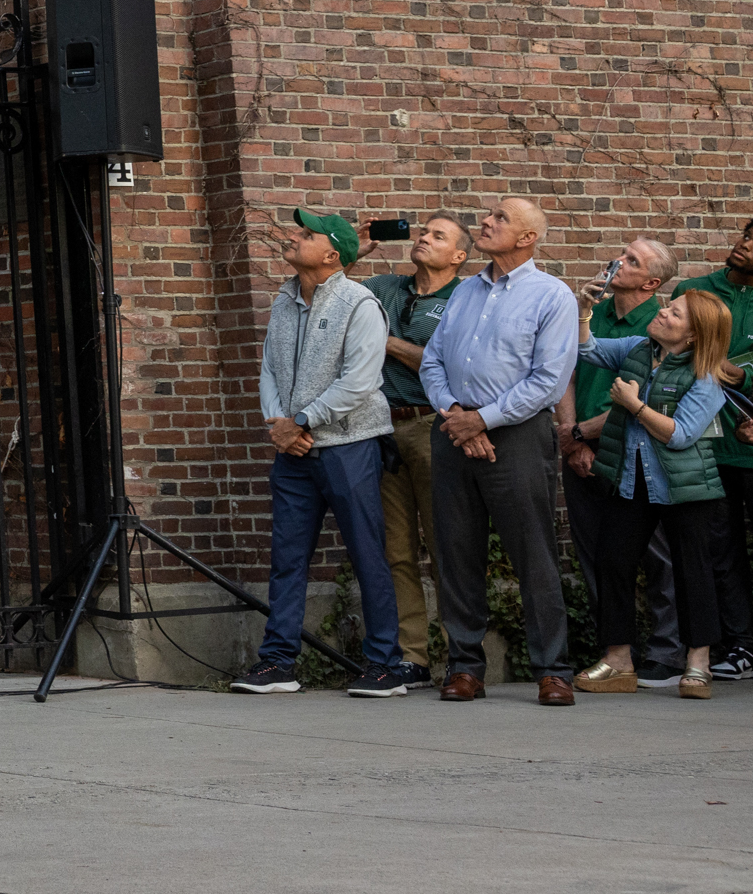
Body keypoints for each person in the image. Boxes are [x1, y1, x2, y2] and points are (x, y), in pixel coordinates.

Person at [229, 212, 422, 696]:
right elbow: (270, 369)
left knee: (367, 553)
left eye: (307, 235)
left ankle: (384, 665)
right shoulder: (284, 299)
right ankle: (277, 664)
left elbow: (360, 381)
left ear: (333, 254)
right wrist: (280, 426)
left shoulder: (361, 303)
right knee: (288, 557)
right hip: (293, 449)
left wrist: (304, 421)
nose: (293, 238)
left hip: (351, 446)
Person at [418, 197, 580, 705]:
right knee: (456, 552)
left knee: (533, 554)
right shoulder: (465, 291)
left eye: (500, 219)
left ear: (528, 238)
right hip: (452, 431)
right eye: (488, 215)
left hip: (517, 436)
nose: (485, 223)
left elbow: (548, 381)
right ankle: (464, 667)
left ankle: (553, 669)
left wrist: (482, 419)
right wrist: (455, 416)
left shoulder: (552, 296)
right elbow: (431, 364)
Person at [569, 291, 738, 698]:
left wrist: (634, 405)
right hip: (631, 480)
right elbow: (588, 348)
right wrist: (584, 312)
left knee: (692, 571)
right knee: (614, 561)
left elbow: (680, 436)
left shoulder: (707, 377)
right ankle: (618, 661)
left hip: (686, 488)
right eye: (668, 306)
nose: (662, 312)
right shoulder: (639, 348)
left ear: (694, 335)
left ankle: (698, 665)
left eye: (674, 312)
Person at [559, 238, 683, 688]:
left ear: (652, 282)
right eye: (621, 254)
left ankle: (667, 650)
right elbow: (567, 369)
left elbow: (645, 399)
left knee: (657, 556)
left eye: (631, 261)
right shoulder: (592, 313)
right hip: (579, 450)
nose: (617, 262)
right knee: (598, 557)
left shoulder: (663, 324)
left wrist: (583, 435)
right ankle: (614, 650)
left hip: (631, 453)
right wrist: (571, 437)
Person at [365, 212, 467, 645]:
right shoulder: (385, 287)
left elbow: (448, 363)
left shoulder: (467, 298)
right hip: (382, 426)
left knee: (446, 544)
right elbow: (325, 296)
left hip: (433, 424)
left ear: (459, 256)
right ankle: (413, 655)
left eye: (437, 235)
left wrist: (382, 340)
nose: (424, 237)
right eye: (423, 231)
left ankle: (462, 651)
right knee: (396, 549)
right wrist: (353, 253)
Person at [672, 216, 753, 679]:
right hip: (710, 448)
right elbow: (680, 353)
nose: (744, 245)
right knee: (720, 552)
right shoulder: (697, 289)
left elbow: (723, 367)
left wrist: (741, 373)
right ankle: (739, 645)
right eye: (746, 235)